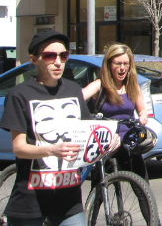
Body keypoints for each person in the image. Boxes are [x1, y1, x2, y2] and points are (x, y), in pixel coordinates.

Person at [0, 30, 91, 226]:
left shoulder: (74, 90)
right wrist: (51, 150)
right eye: (50, 56)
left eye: (63, 55)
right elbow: (19, 148)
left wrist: (107, 140)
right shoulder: (19, 94)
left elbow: (87, 133)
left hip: (69, 201)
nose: (58, 62)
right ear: (34, 60)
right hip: (30, 203)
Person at [82, 43, 149, 181]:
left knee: (141, 182)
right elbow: (76, 99)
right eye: (117, 63)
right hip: (106, 139)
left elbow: (141, 109)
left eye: (126, 63)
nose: (122, 68)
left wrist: (143, 116)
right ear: (109, 65)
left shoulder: (132, 86)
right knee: (100, 185)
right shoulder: (99, 85)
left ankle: (147, 203)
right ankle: (96, 200)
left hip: (129, 138)